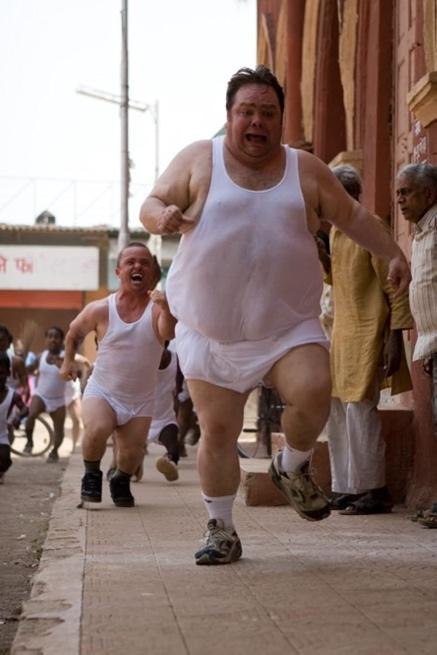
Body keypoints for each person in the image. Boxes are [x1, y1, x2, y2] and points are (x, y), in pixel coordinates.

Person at [140, 65, 411, 565]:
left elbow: (352, 216)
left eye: (268, 112)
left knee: (315, 389)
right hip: (211, 330)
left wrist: (394, 252)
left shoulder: (304, 169)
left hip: (286, 325)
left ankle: (291, 465)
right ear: (229, 116)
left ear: (281, 119)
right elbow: (152, 203)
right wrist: (163, 216)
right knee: (218, 433)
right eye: (247, 111)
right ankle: (221, 529)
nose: (257, 122)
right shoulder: (200, 159)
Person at [324, 165, 413, 514]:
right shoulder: (336, 231)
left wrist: (395, 338)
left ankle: (375, 489)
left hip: (370, 332)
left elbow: (396, 284)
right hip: (342, 335)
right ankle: (347, 487)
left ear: (347, 195)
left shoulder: (370, 226)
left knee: (360, 410)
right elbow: (339, 279)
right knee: (338, 409)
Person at [60, 242, 176, 509]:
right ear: (118, 271)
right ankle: (91, 475)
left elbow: (168, 333)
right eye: (131, 262)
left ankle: (120, 480)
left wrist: (167, 308)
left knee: (132, 453)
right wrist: (67, 362)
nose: (138, 266)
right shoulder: (101, 308)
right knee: (97, 430)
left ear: (152, 272)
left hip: (140, 399)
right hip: (103, 391)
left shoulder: (158, 308)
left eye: (145, 263)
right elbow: (74, 332)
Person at [396, 162, 437, 529]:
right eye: (397, 193)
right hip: (430, 342)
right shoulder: (422, 231)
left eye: (406, 192)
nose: (400, 200)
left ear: (429, 193)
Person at [25, 326, 68, 461]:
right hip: (41, 395)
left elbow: (75, 374)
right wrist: (22, 360)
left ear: (61, 340)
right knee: (31, 415)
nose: (53, 340)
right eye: (50, 336)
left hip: (58, 400)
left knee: (59, 431)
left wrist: (63, 366)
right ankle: (29, 442)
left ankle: (54, 452)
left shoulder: (66, 356)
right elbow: (29, 370)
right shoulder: (41, 356)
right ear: (46, 339)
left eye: (56, 337)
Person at [0, 354, 27, 483]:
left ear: (7, 373)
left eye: (1, 373)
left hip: (2, 435)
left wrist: (19, 417)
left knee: (5, 457)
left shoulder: (13, 395)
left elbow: (25, 408)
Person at [0, 325, 30, 403]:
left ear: (8, 342)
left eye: (2, 340)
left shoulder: (17, 362)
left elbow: (26, 386)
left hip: (11, 402)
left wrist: (25, 391)